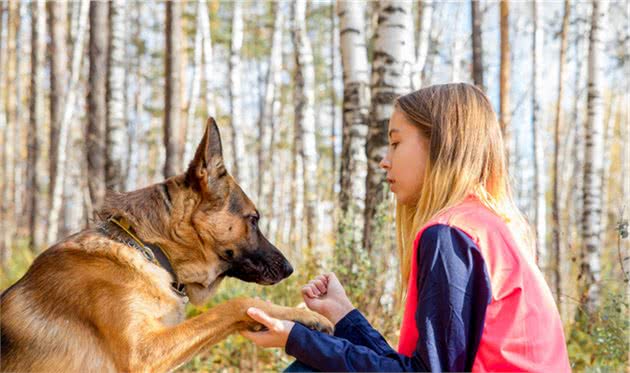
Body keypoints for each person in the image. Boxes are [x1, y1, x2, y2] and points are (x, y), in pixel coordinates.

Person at [240, 83, 571, 372]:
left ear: (442, 145)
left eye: (396, 143)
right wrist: (344, 316)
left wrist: (297, 339)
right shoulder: (484, 226)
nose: (385, 159)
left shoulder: (449, 235)